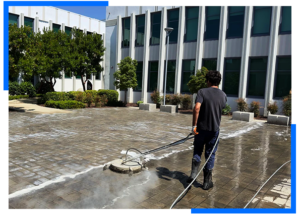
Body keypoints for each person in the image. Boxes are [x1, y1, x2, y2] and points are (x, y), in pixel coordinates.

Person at [186, 70, 227, 190]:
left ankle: (193, 174)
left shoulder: (202, 92)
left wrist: (194, 125)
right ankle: (206, 182)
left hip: (200, 129)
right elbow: (222, 108)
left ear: (208, 81)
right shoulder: (223, 95)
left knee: (197, 150)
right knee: (210, 154)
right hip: (214, 130)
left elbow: (197, 107)